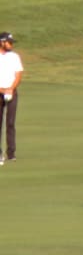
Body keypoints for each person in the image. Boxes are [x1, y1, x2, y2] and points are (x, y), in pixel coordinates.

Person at [0, 32, 24, 164]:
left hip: (12, 93)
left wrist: (10, 88)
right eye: (9, 42)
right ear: (2, 42)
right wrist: (2, 90)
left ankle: (11, 154)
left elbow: (18, 75)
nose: (11, 44)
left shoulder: (15, 57)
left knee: (10, 123)